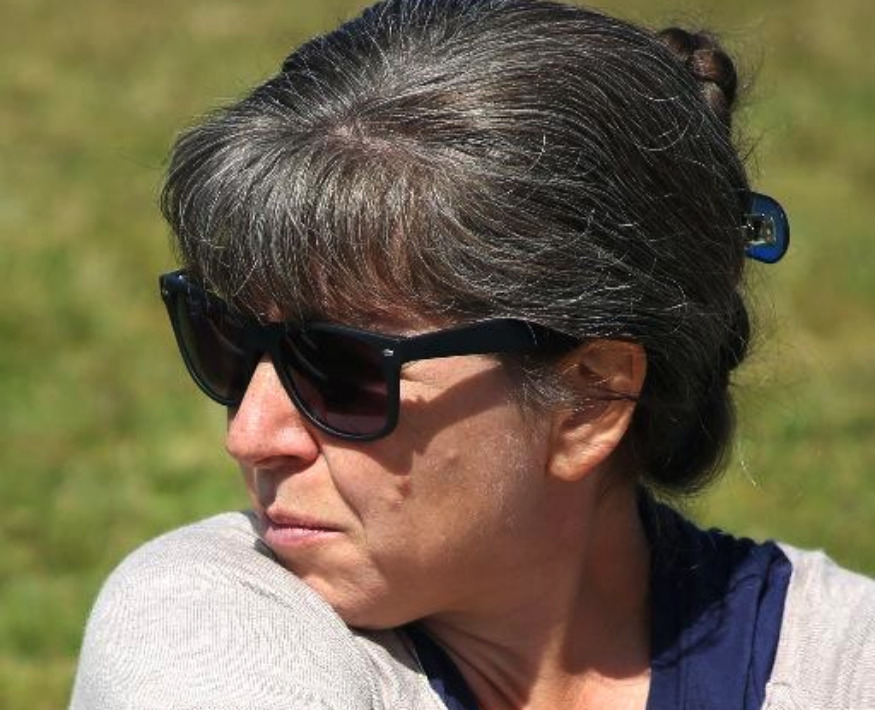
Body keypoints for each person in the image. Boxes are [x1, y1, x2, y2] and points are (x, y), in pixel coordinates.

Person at [69, 1, 874, 708]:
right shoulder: (208, 622)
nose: (250, 434)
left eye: (342, 368)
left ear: (590, 398)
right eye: (227, 340)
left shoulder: (840, 663)